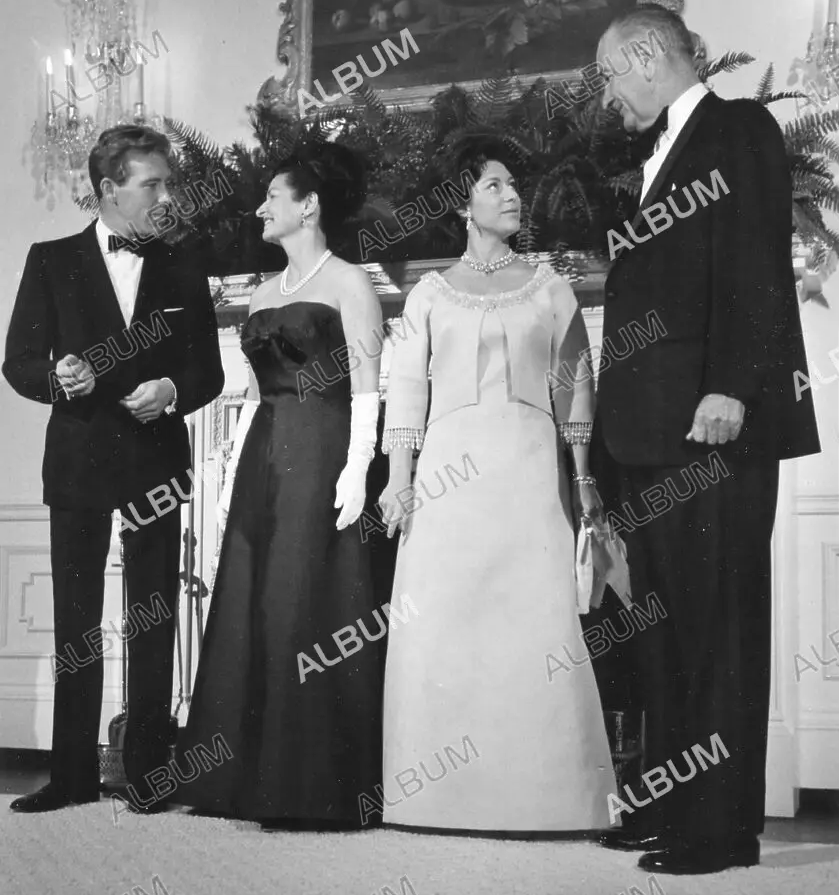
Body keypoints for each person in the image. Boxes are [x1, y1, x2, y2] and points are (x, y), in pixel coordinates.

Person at [592, 4, 821, 874]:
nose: (607, 95)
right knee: (660, 626)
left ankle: (718, 828)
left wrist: (731, 385)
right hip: (650, 436)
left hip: (711, 425)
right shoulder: (659, 154)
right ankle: (665, 803)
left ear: (649, 55)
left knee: (715, 625)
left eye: (610, 74)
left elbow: (756, 269)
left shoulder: (739, 129)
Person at [376, 134, 617, 833]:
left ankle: (551, 798)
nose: (512, 196)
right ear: (463, 204)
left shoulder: (550, 288)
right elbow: (406, 389)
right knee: (445, 618)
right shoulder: (429, 294)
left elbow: (575, 383)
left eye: (514, 185)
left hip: (528, 469)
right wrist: (398, 479)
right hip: (448, 478)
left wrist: (582, 479)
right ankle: (435, 797)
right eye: (495, 185)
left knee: (535, 622)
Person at [4, 125, 224, 814]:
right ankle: (70, 778)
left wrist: (172, 390)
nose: (167, 197)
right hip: (79, 461)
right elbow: (19, 362)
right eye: (152, 184)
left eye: (169, 183)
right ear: (109, 189)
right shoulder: (51, 259)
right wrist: (57, 377)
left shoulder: (184, 262)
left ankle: (149, 775)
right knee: (76, 624)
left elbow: (209, 372)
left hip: (156, 459)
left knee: (152, 615)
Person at [176, 142, 386, 830]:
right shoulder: (263, 294)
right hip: (264, 452)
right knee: (254, 598)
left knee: (300, 596)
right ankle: (236, 780)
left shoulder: (349, 283)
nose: (261, 208)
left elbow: (367, 385)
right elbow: (251, 395)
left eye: (273, 196)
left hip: (321, 447)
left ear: (309, 205)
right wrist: (228, 472)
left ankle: (304, 786)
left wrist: (358, 465)